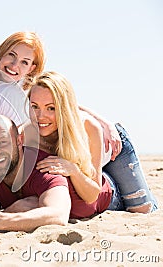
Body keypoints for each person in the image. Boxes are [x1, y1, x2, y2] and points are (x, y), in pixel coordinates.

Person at [26, 71, 158, 218]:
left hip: (113, 148)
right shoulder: (27, 134)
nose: (40, 116)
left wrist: (73, 170)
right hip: (91, 165)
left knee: (141, 209)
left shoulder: (88, 127)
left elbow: (91, 195)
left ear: (64, 109)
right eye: (34, 106)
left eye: (51, 108)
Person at [0, 114, 71, 232]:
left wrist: (1, 220)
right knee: (29, 204)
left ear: (19, 141)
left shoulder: (45, 167)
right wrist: (12, 211)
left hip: (93, 205)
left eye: (2, 142)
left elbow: (59, 215)